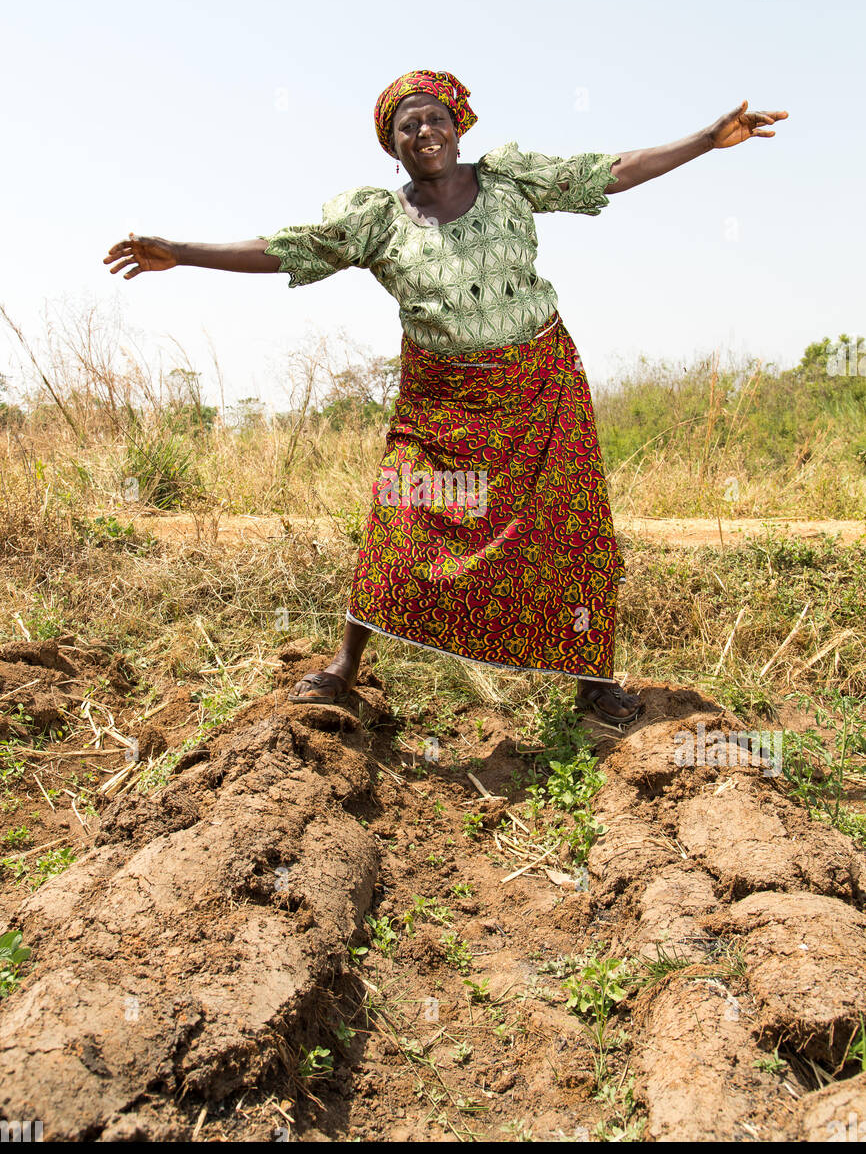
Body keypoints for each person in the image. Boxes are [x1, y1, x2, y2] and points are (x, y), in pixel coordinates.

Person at [104, 69, 787, 726]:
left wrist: (705, 139)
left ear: (459, 128)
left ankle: (593, 680)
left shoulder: (511, 180)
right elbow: (289, 248)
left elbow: (609, 170)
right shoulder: (378, 219)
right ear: (392, 144)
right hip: (441, 406)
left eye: (435, 117)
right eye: (407, 125)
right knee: (400, 517)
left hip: (540, 387)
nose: (423, 130)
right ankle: (346, 664)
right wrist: (183, 251)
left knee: (567, 528)